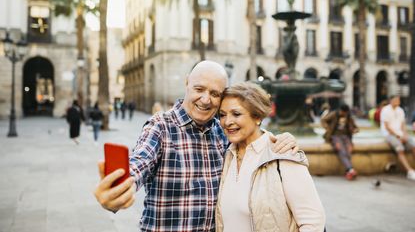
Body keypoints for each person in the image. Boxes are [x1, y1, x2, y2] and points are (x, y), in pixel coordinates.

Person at [93, 60, 300, 231]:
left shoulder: (223, 131)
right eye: (199, 89)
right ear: (187, 85)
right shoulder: (160, 127)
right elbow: (140, 162)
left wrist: (282, 139)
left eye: (215, 93)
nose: (206, 99)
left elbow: (254, 136)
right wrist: (119, 189)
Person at [215, 82, 325, 231]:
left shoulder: (283, 153)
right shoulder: (228, 154)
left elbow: (313, 222)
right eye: (222, 115)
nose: (227, 122)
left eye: (236, 114)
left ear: (257, 117)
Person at [381, 95, 415, 180]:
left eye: (398, 99)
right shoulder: (385, 110)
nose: (398, 101)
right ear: (391, 100)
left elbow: (403, 125)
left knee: (414, 145)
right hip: (389, 135)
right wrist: (398, 136)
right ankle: (410, 171)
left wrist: (405, 135)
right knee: (400, 149)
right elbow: (387, 127)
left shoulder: (400, 110)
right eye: (396, 99)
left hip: (400, 134)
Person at [321, 104, 359, 180]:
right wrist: (328, 128)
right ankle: (350, 169)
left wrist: (354, 130)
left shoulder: (348, 116)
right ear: (341, 111)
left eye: (346, 113)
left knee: (348, 151)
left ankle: (348, 171)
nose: (345, 114)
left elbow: (356, 127)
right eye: (344, 112)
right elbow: (323, 120)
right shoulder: (334, 114)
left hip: (346, 136)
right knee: (341, 150)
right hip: (335, 136)